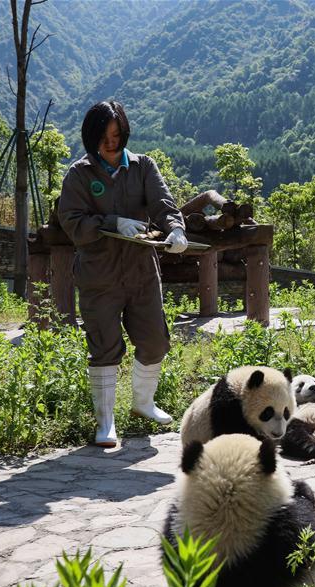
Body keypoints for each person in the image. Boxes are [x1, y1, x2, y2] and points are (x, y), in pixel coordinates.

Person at [58, 100, 188, 448]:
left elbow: (163, 205)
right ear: (91, 138)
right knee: (104, 346)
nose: (111, 143)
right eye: (103, 137)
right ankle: (106, 423)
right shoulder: (80, 174)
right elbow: (72, 223)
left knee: (155, 340)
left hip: (141, 271)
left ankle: (143, 404)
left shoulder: (143, 167)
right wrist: (112, 222)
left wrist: (175, 230)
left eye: (116, 135)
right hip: (98, 276)